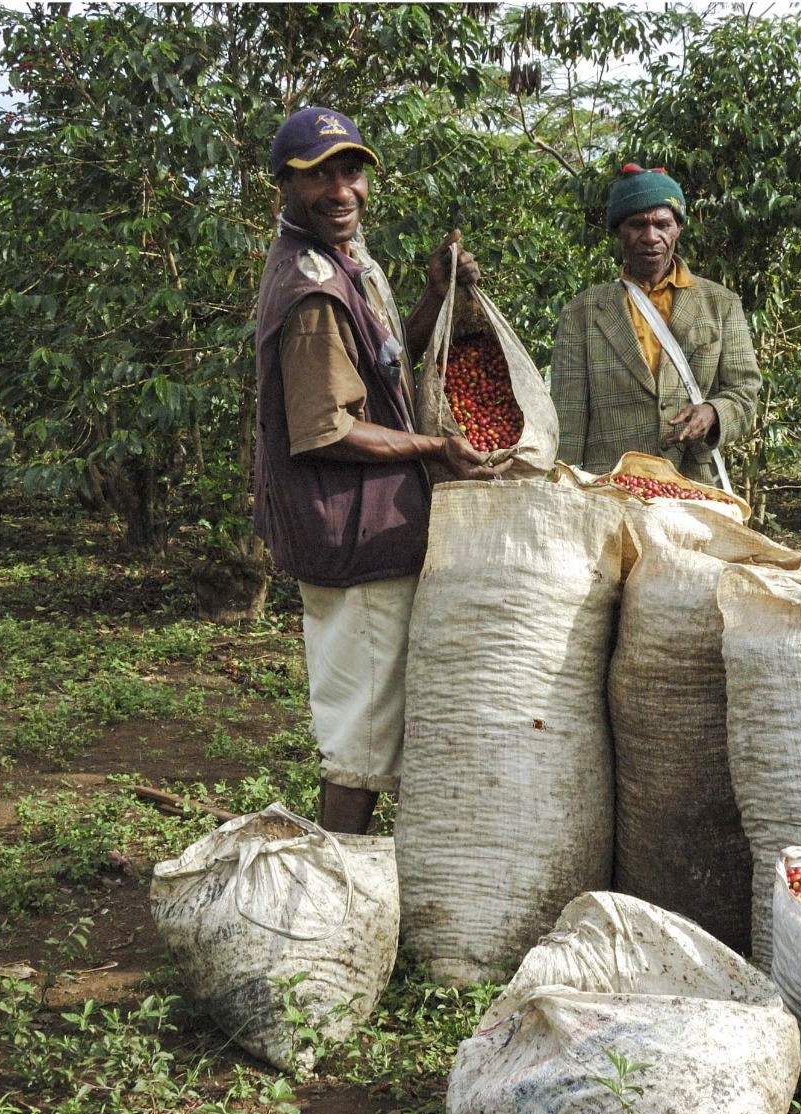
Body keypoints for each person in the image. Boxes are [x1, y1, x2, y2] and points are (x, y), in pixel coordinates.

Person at [253, 106, 503, 835]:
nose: (341, 190)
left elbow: (388, 366)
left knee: (375, 714)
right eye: (318, 175)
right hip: (350, 536)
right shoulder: (314, 292)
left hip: (372, 529)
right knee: (360, 735)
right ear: (284, 186)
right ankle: (339, 890)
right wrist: (436, 449)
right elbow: (326, 427)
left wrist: (433, 293)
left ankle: (358, 873)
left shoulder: (349, 265)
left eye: (351, 171)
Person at [551, 164, 761, 484]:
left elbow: (745, 393)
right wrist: (563, 487)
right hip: (610, 488)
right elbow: (568, 418)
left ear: (678, 228)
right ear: (619, 230)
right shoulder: (582, 313)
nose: (651, 237)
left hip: (693, 485)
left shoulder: (720, 304)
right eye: (637, 225)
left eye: (662, 224)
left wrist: (714, 413)